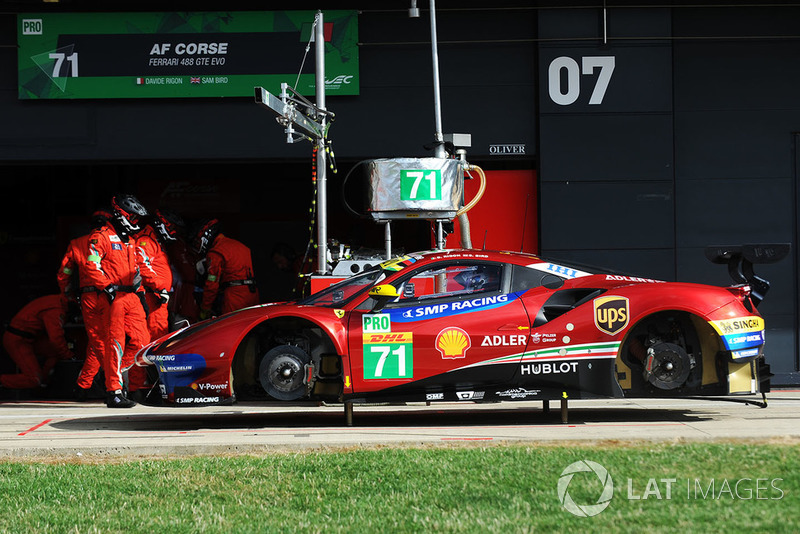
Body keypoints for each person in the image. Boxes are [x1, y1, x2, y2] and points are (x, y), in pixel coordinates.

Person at [84, 194, 167, 408]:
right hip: (113, 297)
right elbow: (91, 265)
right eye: (134, 217)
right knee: (115, 344)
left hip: (132, 295)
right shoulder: (100, 237)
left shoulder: (130, 241)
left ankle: (116, 373)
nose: (137, 222)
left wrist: (156, 288)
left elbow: (138, 269)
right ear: (122, 215)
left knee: (143, 342)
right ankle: (114, 392)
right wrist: (106, 286)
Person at [56, 209, 112, 400]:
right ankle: (111, 384)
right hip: (111, 296)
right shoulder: (113, 240)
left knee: (98, 342)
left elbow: (64, 274)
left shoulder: (76, 243)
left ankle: (85, 385)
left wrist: (67, 296)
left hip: (88, 297)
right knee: (106, 342)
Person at [127, 209, 176, 401]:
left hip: (158, 300)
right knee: (148, 343)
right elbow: (141, 264)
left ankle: (149, 385)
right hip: (151, 299)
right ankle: (138, 387)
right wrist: (158, 286)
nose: (173, 232)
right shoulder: (146, 240)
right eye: (172, 228)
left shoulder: (155, 241)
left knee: (158, 342)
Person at [1, 295, 74, 390]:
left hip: (28, 339)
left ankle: (43, 380)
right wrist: (68, 356)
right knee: (34, 379)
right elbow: (56, 338)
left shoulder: (57, 301)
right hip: (18, 340)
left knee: (55, 352)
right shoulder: (55, 309)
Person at [192, 218, 259, 319]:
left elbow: (212, 283)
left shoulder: (216, 252)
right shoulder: (240, 246)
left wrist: (205, 308)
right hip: (253, 294)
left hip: (234, 297)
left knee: (232, 329)